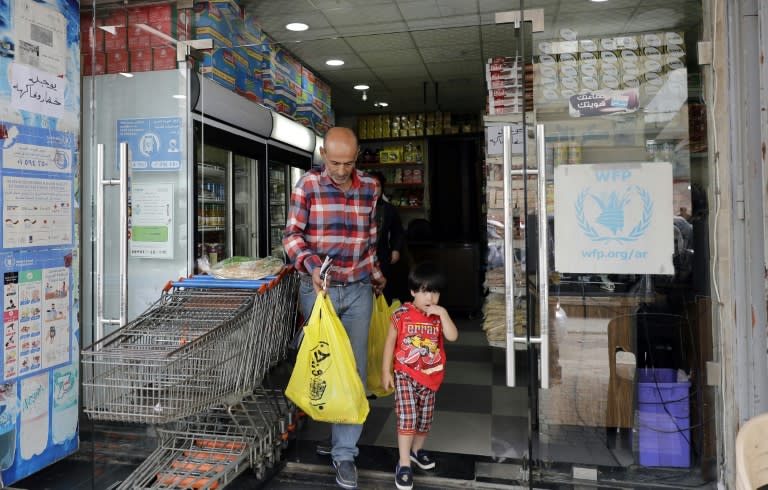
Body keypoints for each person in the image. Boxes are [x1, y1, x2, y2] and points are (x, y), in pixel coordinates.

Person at [283, 126, 385, 490]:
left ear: (357, 157)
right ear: (323, 153)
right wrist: (311, 267)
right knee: (322, 365)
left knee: (354, 371)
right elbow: (292, 236)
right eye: (335, 161)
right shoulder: (307, 186)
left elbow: (370, 240)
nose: (341, 170)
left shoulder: (370, 187)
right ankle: (328, 429)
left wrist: (375, 273)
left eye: (349, 162)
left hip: (358, 290)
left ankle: (345, 453)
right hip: (319, 291)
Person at [381, 262, 458, 490]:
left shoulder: (437, 316)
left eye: (434, 291)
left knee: (425, 420)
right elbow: (389, 344)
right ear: (413, 291)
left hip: (430, 378)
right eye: (424, 291)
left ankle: (416, 451)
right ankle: (404, 463)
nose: (430, 297)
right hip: (405, 374)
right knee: (407, 417)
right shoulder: (401, 315)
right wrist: (386, 371)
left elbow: (452, 336)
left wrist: (443, 313)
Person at [367, 171, 405, 303]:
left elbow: (397, 231)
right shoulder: (357, 207)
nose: (374, 189)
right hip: (361, 260)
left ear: (382, 188)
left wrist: (396, 249)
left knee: (384, 295)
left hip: (382, 257)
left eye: (377, 185)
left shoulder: (389, 209)